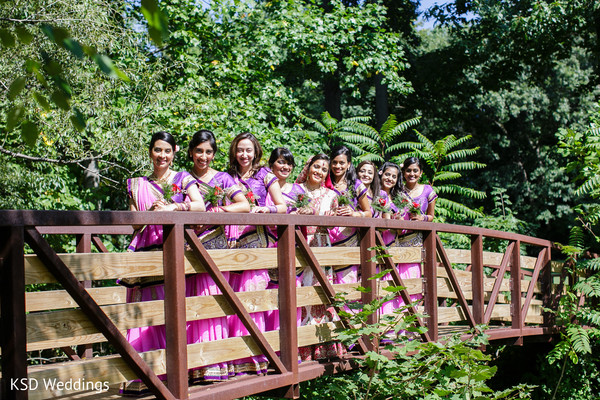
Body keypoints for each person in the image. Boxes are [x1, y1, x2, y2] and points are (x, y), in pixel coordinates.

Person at [120, 131, 205, 395]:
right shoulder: (136, 184)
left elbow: (200, 206)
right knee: (148, 308)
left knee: (176, 307)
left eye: (167, 151)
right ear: (150, 152)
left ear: (175, 152)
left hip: (175, 249)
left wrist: (174, 208)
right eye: (158, 150)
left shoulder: (183, 179)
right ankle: (147, 374)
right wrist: (143, 212)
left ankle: (180, 372)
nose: (162, 156)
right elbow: (135, 223)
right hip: (147, 251)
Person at [186, 129, 249, 382]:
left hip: (213, 248)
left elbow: (243, 205)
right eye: (199, 151)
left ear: (214, 154)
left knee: (209, 302)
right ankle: (189, 364)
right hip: (185, 248)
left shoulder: (222, 179)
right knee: (187, 303)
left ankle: (212, 364)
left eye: (209, 152)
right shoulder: (181, 178)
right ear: (191, 152)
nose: (204, 157)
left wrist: (217, 211)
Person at [226, 132, 287, 376]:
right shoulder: (226, 176)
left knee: (251, 298)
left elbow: (283, 207)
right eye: (240, 150)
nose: (244, 155)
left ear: (256, 152)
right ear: (234, 151)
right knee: (230, 298)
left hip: (257, 245)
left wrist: (267, 208)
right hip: (230, 245)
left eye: (249, 150)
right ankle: (230, 356)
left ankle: (254, 358)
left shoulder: (265, 176)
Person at [296, 154, 345, 361]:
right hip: (298, 246)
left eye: (324, 169)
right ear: (308, 167)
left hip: (322, 248)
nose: (320, 171)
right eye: (316, 166)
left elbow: (335, 226)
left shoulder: (331, 196)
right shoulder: (295, 190)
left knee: (321, 296)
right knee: (300, 295)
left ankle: (323, 348)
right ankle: (301, 349)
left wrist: (336, 218)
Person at [264, 147, 306, 332]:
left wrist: (305, 211)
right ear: (271, 164)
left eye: (289, 164)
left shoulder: (297, 190)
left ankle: (290, 343)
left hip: (290, 245)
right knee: (269, 293)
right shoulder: (263, 186)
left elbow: (311, 208)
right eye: (281, 162)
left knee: (291, 292)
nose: (285, 167)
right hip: (267, 246)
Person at [325, 146, 371, 285]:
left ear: (349, 164)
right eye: (334, 162)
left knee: (347, 284)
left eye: (342, 163)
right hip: (324, 239)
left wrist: (354, 213)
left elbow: (369, 213)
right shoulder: (324, 183)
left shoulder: (356, 185)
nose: (337, 166)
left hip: (348, 242)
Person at [396, 157, 437, 305]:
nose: (411, 174)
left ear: (421, 173)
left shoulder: (427, 190)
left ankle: (412, 318)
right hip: (398, 238)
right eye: (408, 170)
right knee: (397, 277)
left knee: (413, 275)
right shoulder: (398, 190)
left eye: (415, 171)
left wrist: (422, 218)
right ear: (403, 172)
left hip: (416, 240)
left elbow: (431, 216)